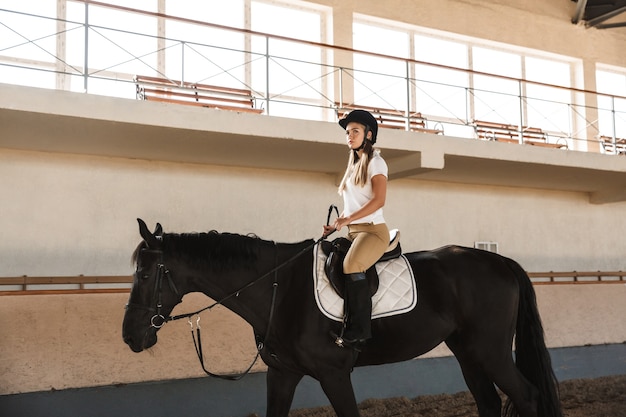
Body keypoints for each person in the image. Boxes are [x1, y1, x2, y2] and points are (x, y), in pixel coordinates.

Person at [323, 109, 390, 349]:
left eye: (355, 131)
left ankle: (360, 331)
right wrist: (336, 224)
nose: (349, 136)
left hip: (373, 232)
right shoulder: (354, 165)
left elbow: (378, 201)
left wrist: (348, 218)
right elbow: (353, 205)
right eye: (348, 132)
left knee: (352, 265)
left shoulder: (376, 162)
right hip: (353, 231)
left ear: (368, 135)